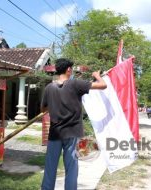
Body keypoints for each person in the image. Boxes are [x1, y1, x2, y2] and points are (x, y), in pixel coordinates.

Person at [41, 58, 107, 190]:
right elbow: (103, 85)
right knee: (71, 168)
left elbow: (43, 110)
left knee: (50, 167)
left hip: (55, 133)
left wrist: (55, 105)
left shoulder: (49, 88)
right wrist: (97, 76)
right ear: (68, 69)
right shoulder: (76, 84)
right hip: (72, 133)